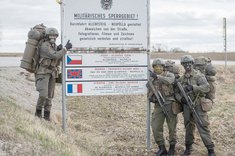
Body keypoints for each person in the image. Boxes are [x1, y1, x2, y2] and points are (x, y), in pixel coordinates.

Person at [175, 55, 215, 156]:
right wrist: (181, 98)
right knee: (188, 127)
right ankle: (188, 148)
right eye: (185, 64)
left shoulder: (199, 75)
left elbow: (206, 88)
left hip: (198, 104)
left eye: (189, 63)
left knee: (203, 126)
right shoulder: (182, 79)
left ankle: (210, 149)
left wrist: (193, 87)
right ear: (183, 65)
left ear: (192, 64)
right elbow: (176, 92)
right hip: (187, 106)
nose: (187, 65)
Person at [34, 27, 72, 121]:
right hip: (43, 73)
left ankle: (47, 116)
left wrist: (59, 49)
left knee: (50, 97)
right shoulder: (44, 46)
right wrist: (65, 49)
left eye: (54, 36)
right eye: (51, 35)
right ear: (47, 36)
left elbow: (56, 57)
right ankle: (38, 113)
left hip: (52, 74)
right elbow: (55, 55)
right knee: (43, 94)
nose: (52, 37)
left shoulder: (53, 46)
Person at [147, 58, 181, 156]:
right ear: (153, 68)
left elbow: (170, 81)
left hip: (170, 104)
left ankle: (172, 148)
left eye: (160, 66)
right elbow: (149, 92)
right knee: (155, 126)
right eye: (156, 67)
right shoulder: (151, 78)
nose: (158, 68)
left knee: (172, 128)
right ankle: (162, 148)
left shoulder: (169, 75)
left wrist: (157, 77)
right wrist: (151, 98)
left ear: (163, 67)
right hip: (158, 106)